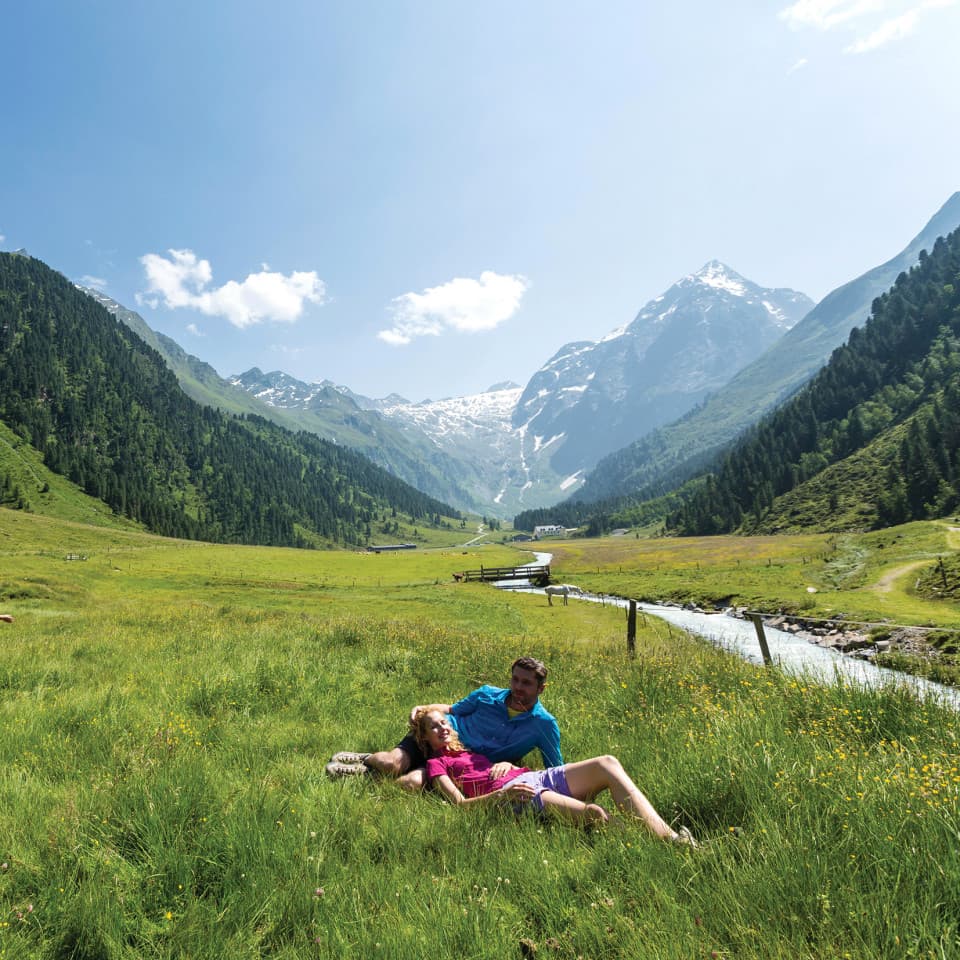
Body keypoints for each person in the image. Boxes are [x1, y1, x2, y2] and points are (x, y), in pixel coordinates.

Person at [412, 708, 697, 846]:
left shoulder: (472, 750)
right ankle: (654, 845)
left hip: (535, 776)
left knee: (606, 763)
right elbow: (460, 805)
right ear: (424, 737)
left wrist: (505, 761)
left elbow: (460, 710)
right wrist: (501, 795)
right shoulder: (437, 764)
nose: (441, 728)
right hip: (517, 793)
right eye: (432, 727)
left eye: (443, 722)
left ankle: (672, 838)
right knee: (595, 814)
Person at [327, 656, 562, 791]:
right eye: (515, 679)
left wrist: (509, 765)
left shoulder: (543, 724)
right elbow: (452, 710)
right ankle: (366, 759)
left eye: (527, 683)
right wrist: (425, 708)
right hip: (438, 735)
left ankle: (365, 776)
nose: (518, 687)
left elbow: (554, 771)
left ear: (541, 688)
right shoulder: (487, 694)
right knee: (391, 764)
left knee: (411, 784)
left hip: (460, 763)